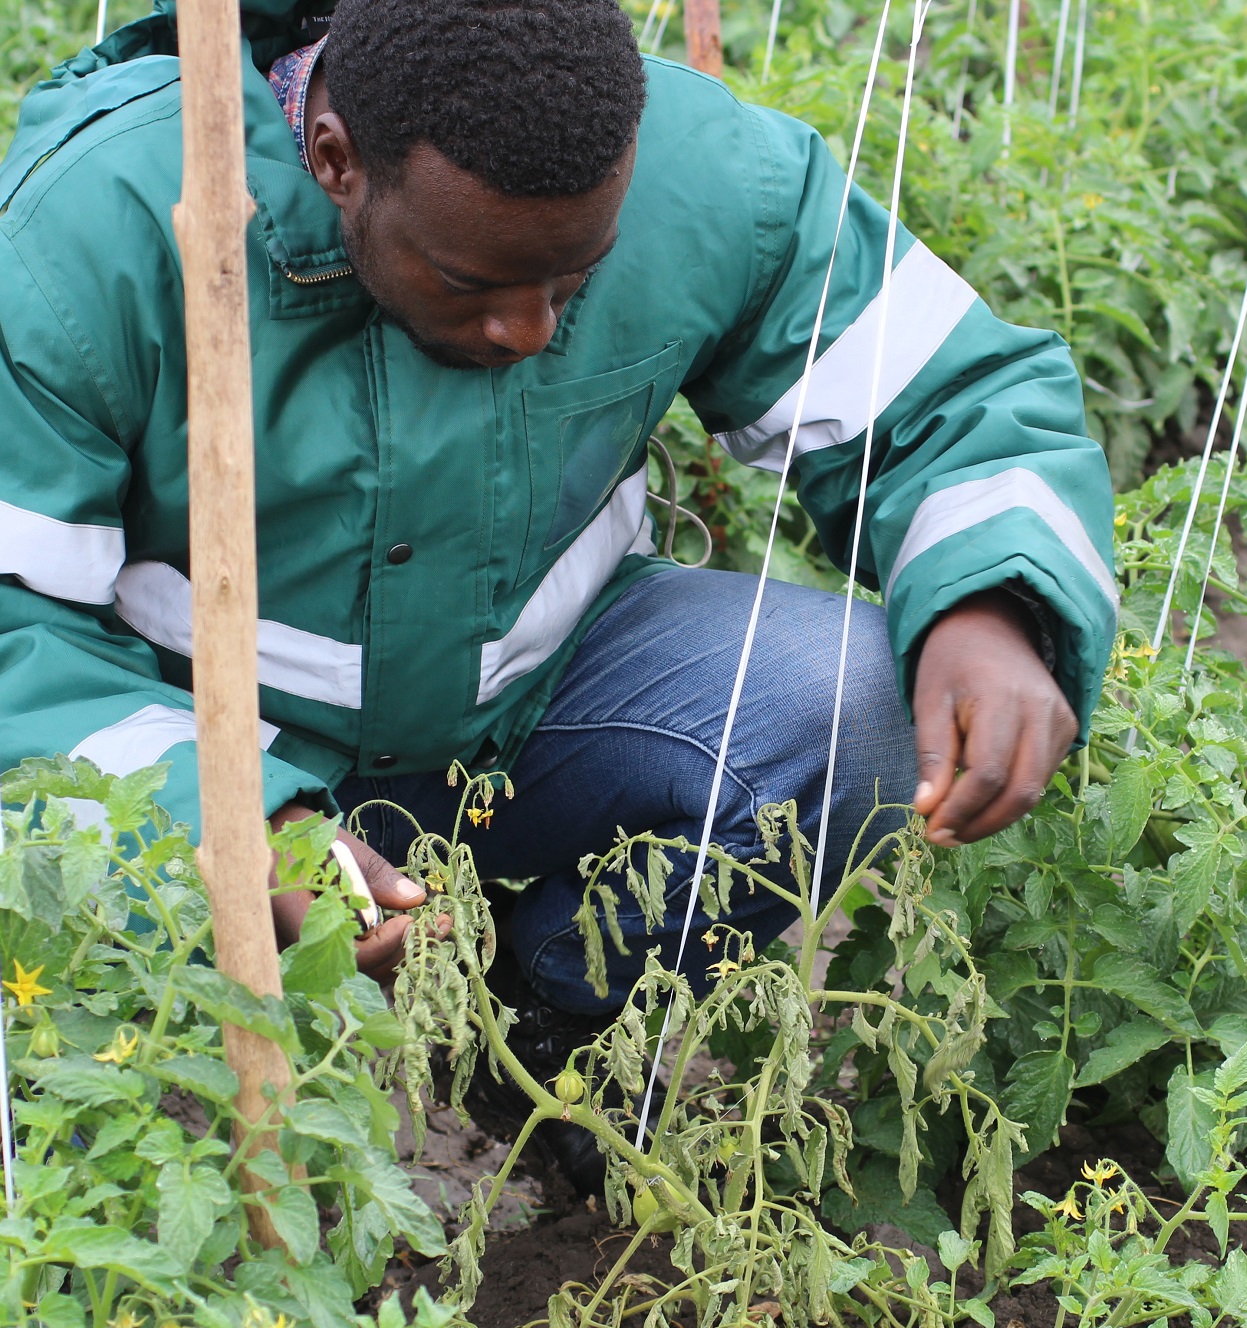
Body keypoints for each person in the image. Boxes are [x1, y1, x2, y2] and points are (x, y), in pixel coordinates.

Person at [0, 0, 1116, 1187]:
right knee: (162, 1132)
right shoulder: (104, 228)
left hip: (531, 722)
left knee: (850, 703)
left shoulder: (704, 177)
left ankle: (553, 1020)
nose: (528, 328)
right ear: (335, 159)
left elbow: (958, 396)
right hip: (214, 750)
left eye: (573, 281)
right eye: (472, 280)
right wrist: (235, 826)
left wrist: (992, 608)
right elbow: (17, 635)